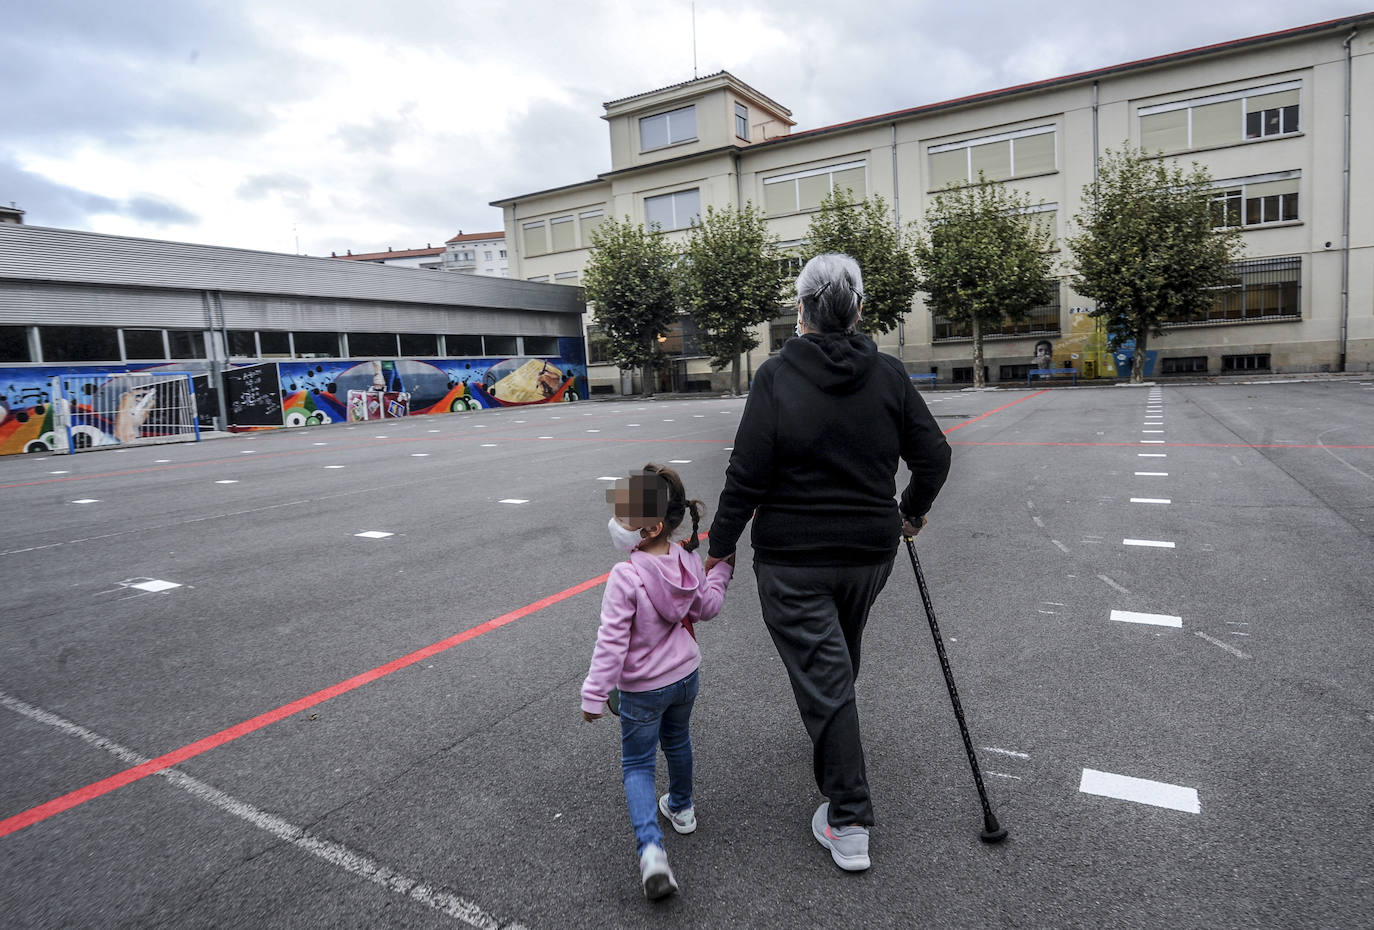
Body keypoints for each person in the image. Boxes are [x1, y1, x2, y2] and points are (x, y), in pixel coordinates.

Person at [704, 252, 951, 872]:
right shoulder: (888, 373)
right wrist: (910, 512)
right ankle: (834, 732)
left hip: (793, 557)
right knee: (836, 653)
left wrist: (719, 545)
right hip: (869, 552)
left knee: (827, 670)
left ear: (801, 310)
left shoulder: (776, 376)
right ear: (858, 310)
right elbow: (935, 456)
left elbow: (746, 474)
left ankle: (849, 817)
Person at [581, 464, 734, 899]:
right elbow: (707, 606)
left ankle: (651, 851)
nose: (617, 522)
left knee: (637, 765)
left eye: (625, 516)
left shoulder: (625, 576)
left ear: (650, 527)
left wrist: (594, 695)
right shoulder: (687, 562)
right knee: (678, 741)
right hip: (685, 677)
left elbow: (611, 642)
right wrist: (721, 571)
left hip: (642, 689)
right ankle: (682, 808)